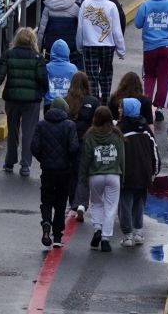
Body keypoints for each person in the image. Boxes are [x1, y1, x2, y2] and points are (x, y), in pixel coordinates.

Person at [0, 27, 49, 177]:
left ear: (17, 39)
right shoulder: (37, 58)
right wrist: (41, 93)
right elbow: (43, 81)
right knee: (28, 132)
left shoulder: (8, 55)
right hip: (32, 101)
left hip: (12, 98)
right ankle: (25, 165)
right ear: (33, 40)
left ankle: (9, 162)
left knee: (13, 130)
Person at [31, 97, 79, 249]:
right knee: (60, 202)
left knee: (46, 199)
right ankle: (57, 236)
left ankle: (46, 222)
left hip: (47, 170)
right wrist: (70, 162)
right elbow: (73, 148)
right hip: (64, 171)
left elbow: (34, 146)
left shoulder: (41, 125)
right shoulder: (70, 125)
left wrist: (43, 160)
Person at [80, 105, 125, 252]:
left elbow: (86, 158)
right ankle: (106, 238)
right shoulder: (117, 135)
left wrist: (83, 176)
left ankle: (97, 228)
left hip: (96, 175)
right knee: (111, 207)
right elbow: (121, 158)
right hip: (113, 175)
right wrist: (122, 175)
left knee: (96, 203)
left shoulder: (90, 136)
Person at [118, 98, 160, 247]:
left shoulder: (120, 129)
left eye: (121, 108)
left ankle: (127, 235)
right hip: (143, 174)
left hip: (126, 174)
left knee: (125, 204)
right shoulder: (146, 130)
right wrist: (154, 172)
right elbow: (154, 151)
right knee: (139, 204)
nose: (119, 110)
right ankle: (138, 232)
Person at [76, 0, 125, 103]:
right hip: (108, 45)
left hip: (89, 45)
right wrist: (121, 50)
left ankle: (93, 104)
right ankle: (105, 101)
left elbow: (80, 28)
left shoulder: (86, 4)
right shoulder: (112, 6)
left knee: (91, 76)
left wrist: (79, 45)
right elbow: (116, 30)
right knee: (106, 74)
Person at [65, 71, 99, 222]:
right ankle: (81, 204)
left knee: (71, 174)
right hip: (86, 142)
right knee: (83, 174)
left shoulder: (66, 101)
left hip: (69, 142)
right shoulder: (93, 101)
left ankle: (72, 202)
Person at [37, 0, 82, 67]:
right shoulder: (76, 7)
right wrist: (80, 48)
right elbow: (80, 30)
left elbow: (41, 31)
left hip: (51, 49)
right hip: (71, 50)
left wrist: (39, 48)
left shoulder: (48, 6)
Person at [44, 39, 77, 110]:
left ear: (52, 52)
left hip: (49, 103)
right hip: (67, 104)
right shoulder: (73, 68)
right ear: (67, 51)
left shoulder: (47, 67)